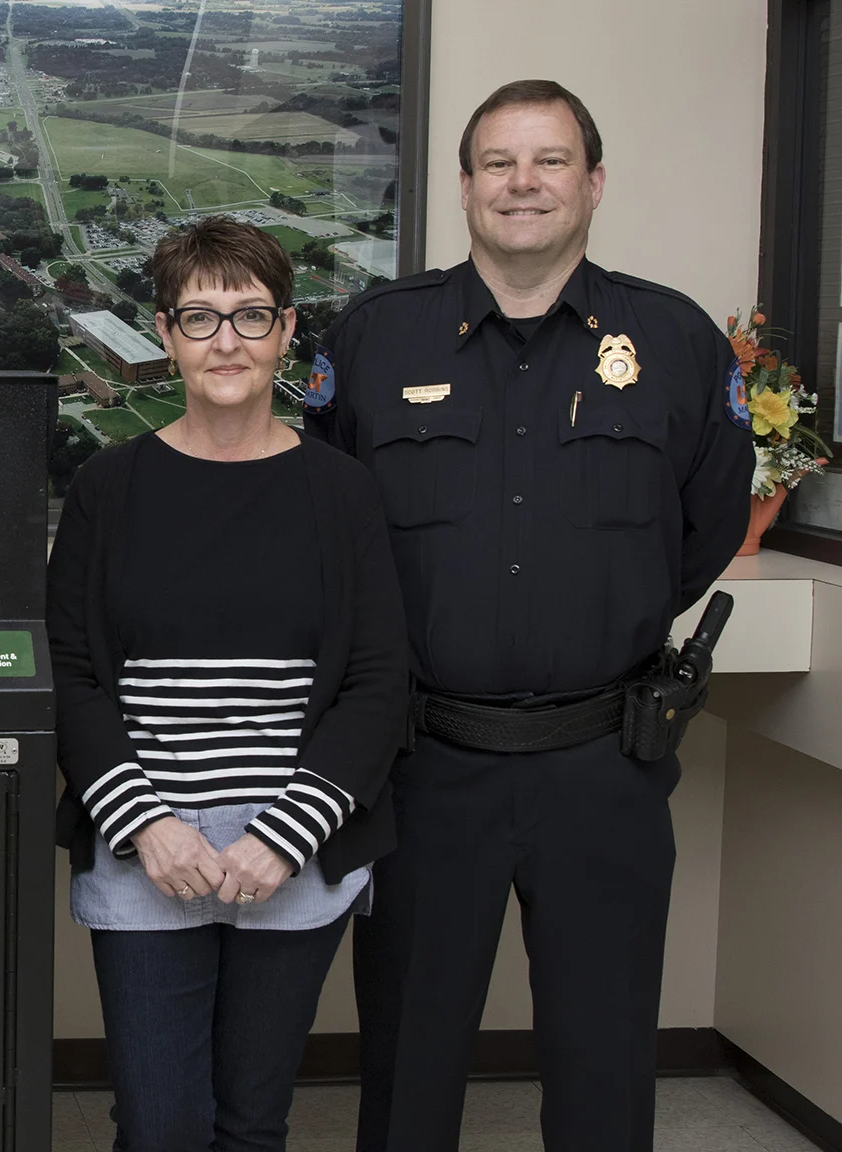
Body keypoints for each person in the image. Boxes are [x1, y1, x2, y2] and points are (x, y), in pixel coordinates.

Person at [307, 80, 753, 1152]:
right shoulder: (374, 338)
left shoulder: (674, 340)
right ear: (463, 187)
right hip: (421, 767)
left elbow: (698, 533)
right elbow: (323, 536)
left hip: (603, 764)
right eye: (498, 162)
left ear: (591, 182)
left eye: (548, 161)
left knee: (603, 1064)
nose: (523, 183)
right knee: (406, 1067)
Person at [49, 216, 410, 1151]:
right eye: (200, 318)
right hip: (146, 848)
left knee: (253, 1122)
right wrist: (145, 825)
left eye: (251, 316)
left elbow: (376, 681)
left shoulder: (342, 494)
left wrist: (283, 837)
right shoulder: (108, 487)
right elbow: (76, 676)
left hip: (289, 846)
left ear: (288, 331)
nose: (227, 343)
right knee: (160, 1126)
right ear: (164, 333)